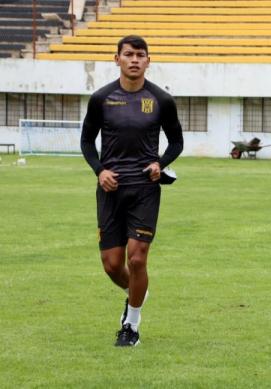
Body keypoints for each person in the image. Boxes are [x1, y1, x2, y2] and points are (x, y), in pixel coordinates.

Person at [80, 35, 184, 346]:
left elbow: (177, 142)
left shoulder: (162, 100)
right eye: (128, 54)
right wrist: (100, 171)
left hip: (144, 188)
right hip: (111, 188)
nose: (134, 60)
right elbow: (86, 141)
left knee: (136, 259)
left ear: (148, 61)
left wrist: (160, 163)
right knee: (113, 264)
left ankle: (132, 326)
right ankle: (136, 292)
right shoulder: (101, 98)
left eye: (140, 55)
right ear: (117, 59)